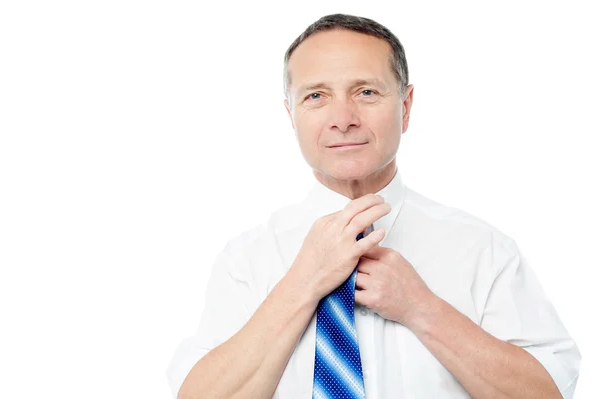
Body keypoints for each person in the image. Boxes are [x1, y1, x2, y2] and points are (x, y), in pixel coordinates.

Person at [166, 13, 581, 399]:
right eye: (316, 96)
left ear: (405, 107)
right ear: (291, 115)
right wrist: (303, 283)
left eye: (366, 92)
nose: (342, 118)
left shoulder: (482, 248)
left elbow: (550, 393)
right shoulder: (247, 259)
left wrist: (423, 309)